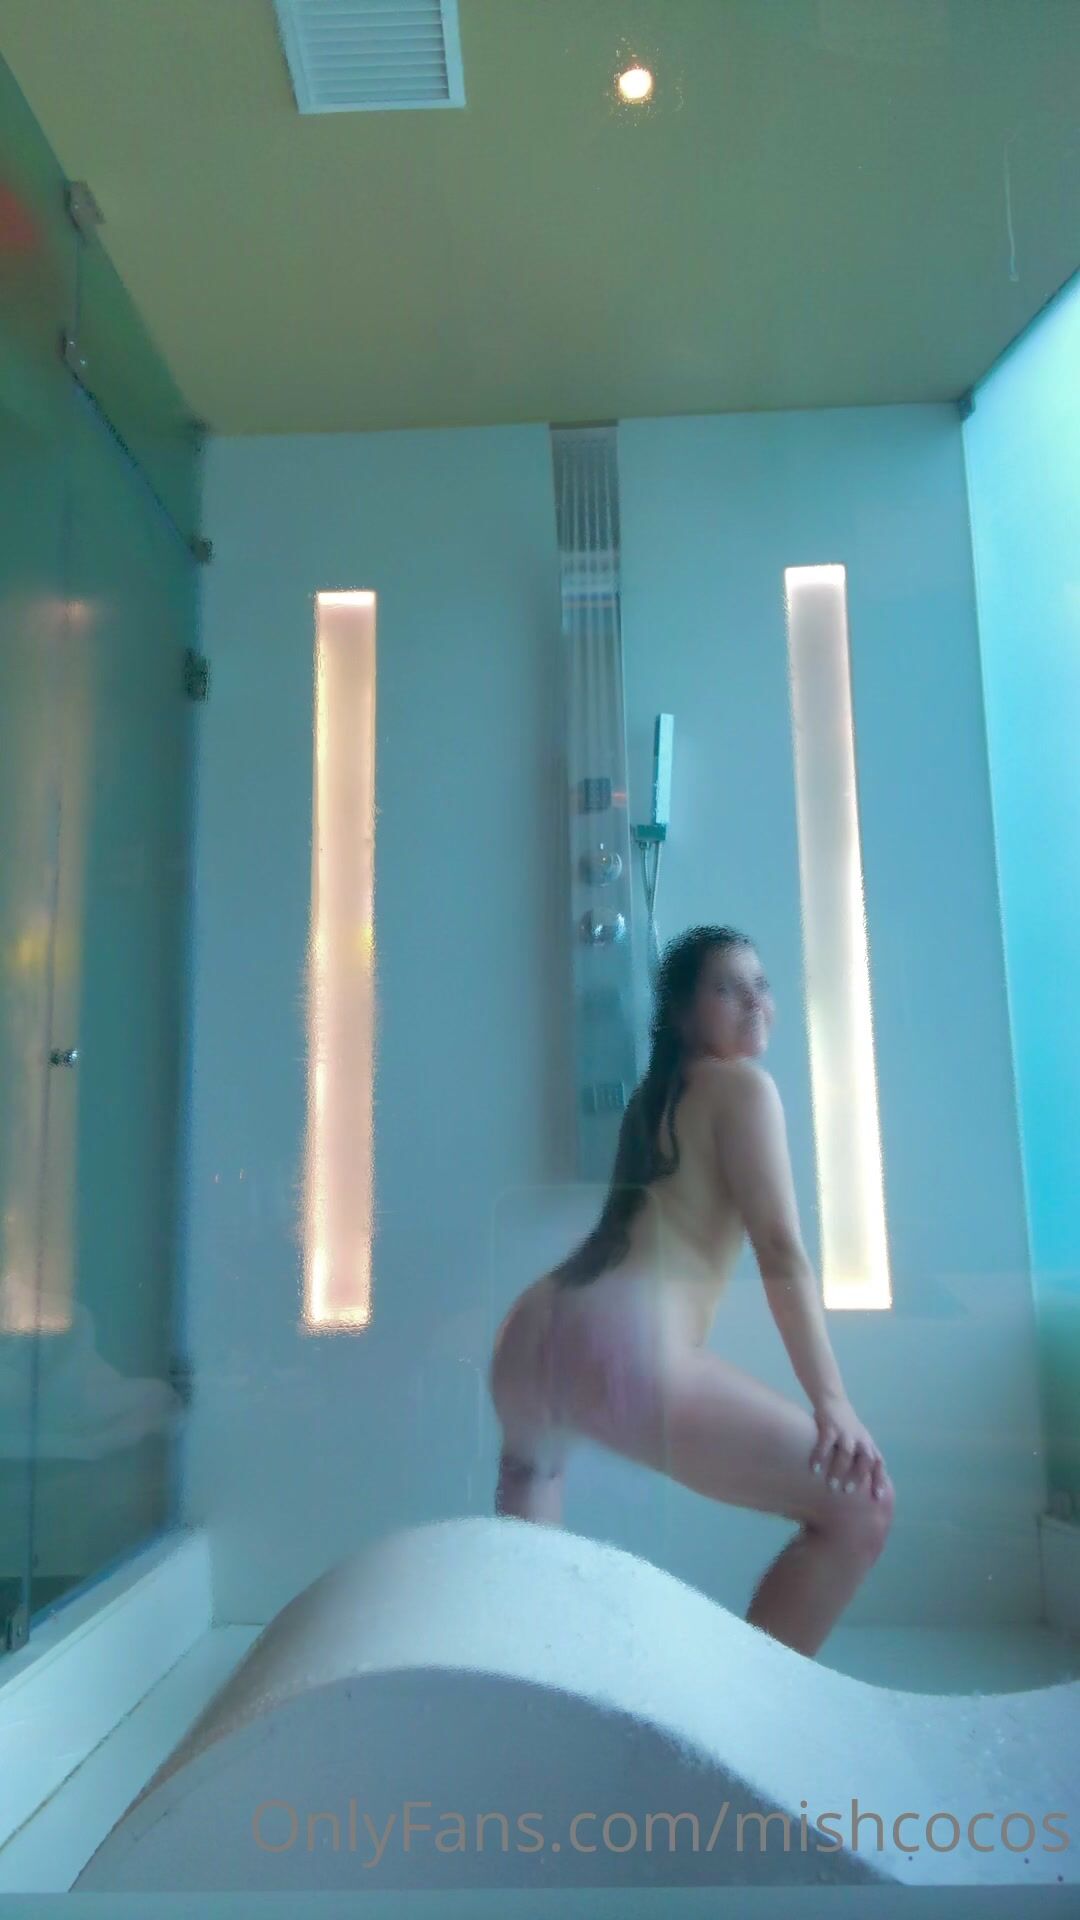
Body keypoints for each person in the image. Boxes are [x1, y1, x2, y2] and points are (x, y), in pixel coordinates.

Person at [487, 924, 894, 1658]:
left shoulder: (653, 1101)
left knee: (531, 1553)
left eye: (762, 984)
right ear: (680, 1013)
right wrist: (831, 1400)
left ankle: (523, 1693)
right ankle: (751, 1710)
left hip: (532, 1329)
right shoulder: (744, 1088)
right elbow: (779, 1248)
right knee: (863, 1506)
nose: (755, 1001)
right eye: (727, 988)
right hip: (623, 1345)